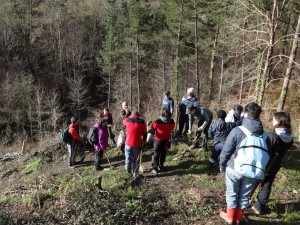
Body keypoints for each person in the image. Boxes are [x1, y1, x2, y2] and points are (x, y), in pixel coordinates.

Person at [219, 102, 271, 225]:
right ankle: (237, 219)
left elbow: (226, 150)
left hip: (235, 168)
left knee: (232, 193)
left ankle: (230, 218)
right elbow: (268, 155)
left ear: (246, 114)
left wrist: (222, 165)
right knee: (244, 195)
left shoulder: (237, 130)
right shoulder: (265, 136)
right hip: (254, 171)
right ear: (259, 115)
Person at [251, 111, 293, 215]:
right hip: (276, 163)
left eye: (274, 119)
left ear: (279, 120)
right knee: (267, 184)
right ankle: (259, 206)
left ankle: (243, 201)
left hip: (264, 163)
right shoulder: (290, 137)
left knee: (253, 181)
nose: (272, 121)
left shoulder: (273, 135)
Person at [149, 108, 175, 174]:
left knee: (156, 153)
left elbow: (153, 128)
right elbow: (172, 128)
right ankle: (161, 165)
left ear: (162, 113)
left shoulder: (157, 121)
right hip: (167, 139)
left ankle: (155, 167)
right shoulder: (172, 121)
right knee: (164, 153)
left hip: (158, 139)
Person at [122, 111, 147, 180]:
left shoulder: (127, 120)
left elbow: (123, 122)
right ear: (138, 116)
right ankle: (135, 174)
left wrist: (128, 115)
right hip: (137, 144)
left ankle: (128, 173)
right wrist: (144, 141)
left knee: (128, 159)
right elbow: (145, 133)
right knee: (136, 160)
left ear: (131, 115)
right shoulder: (142, 122)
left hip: (128, 144)